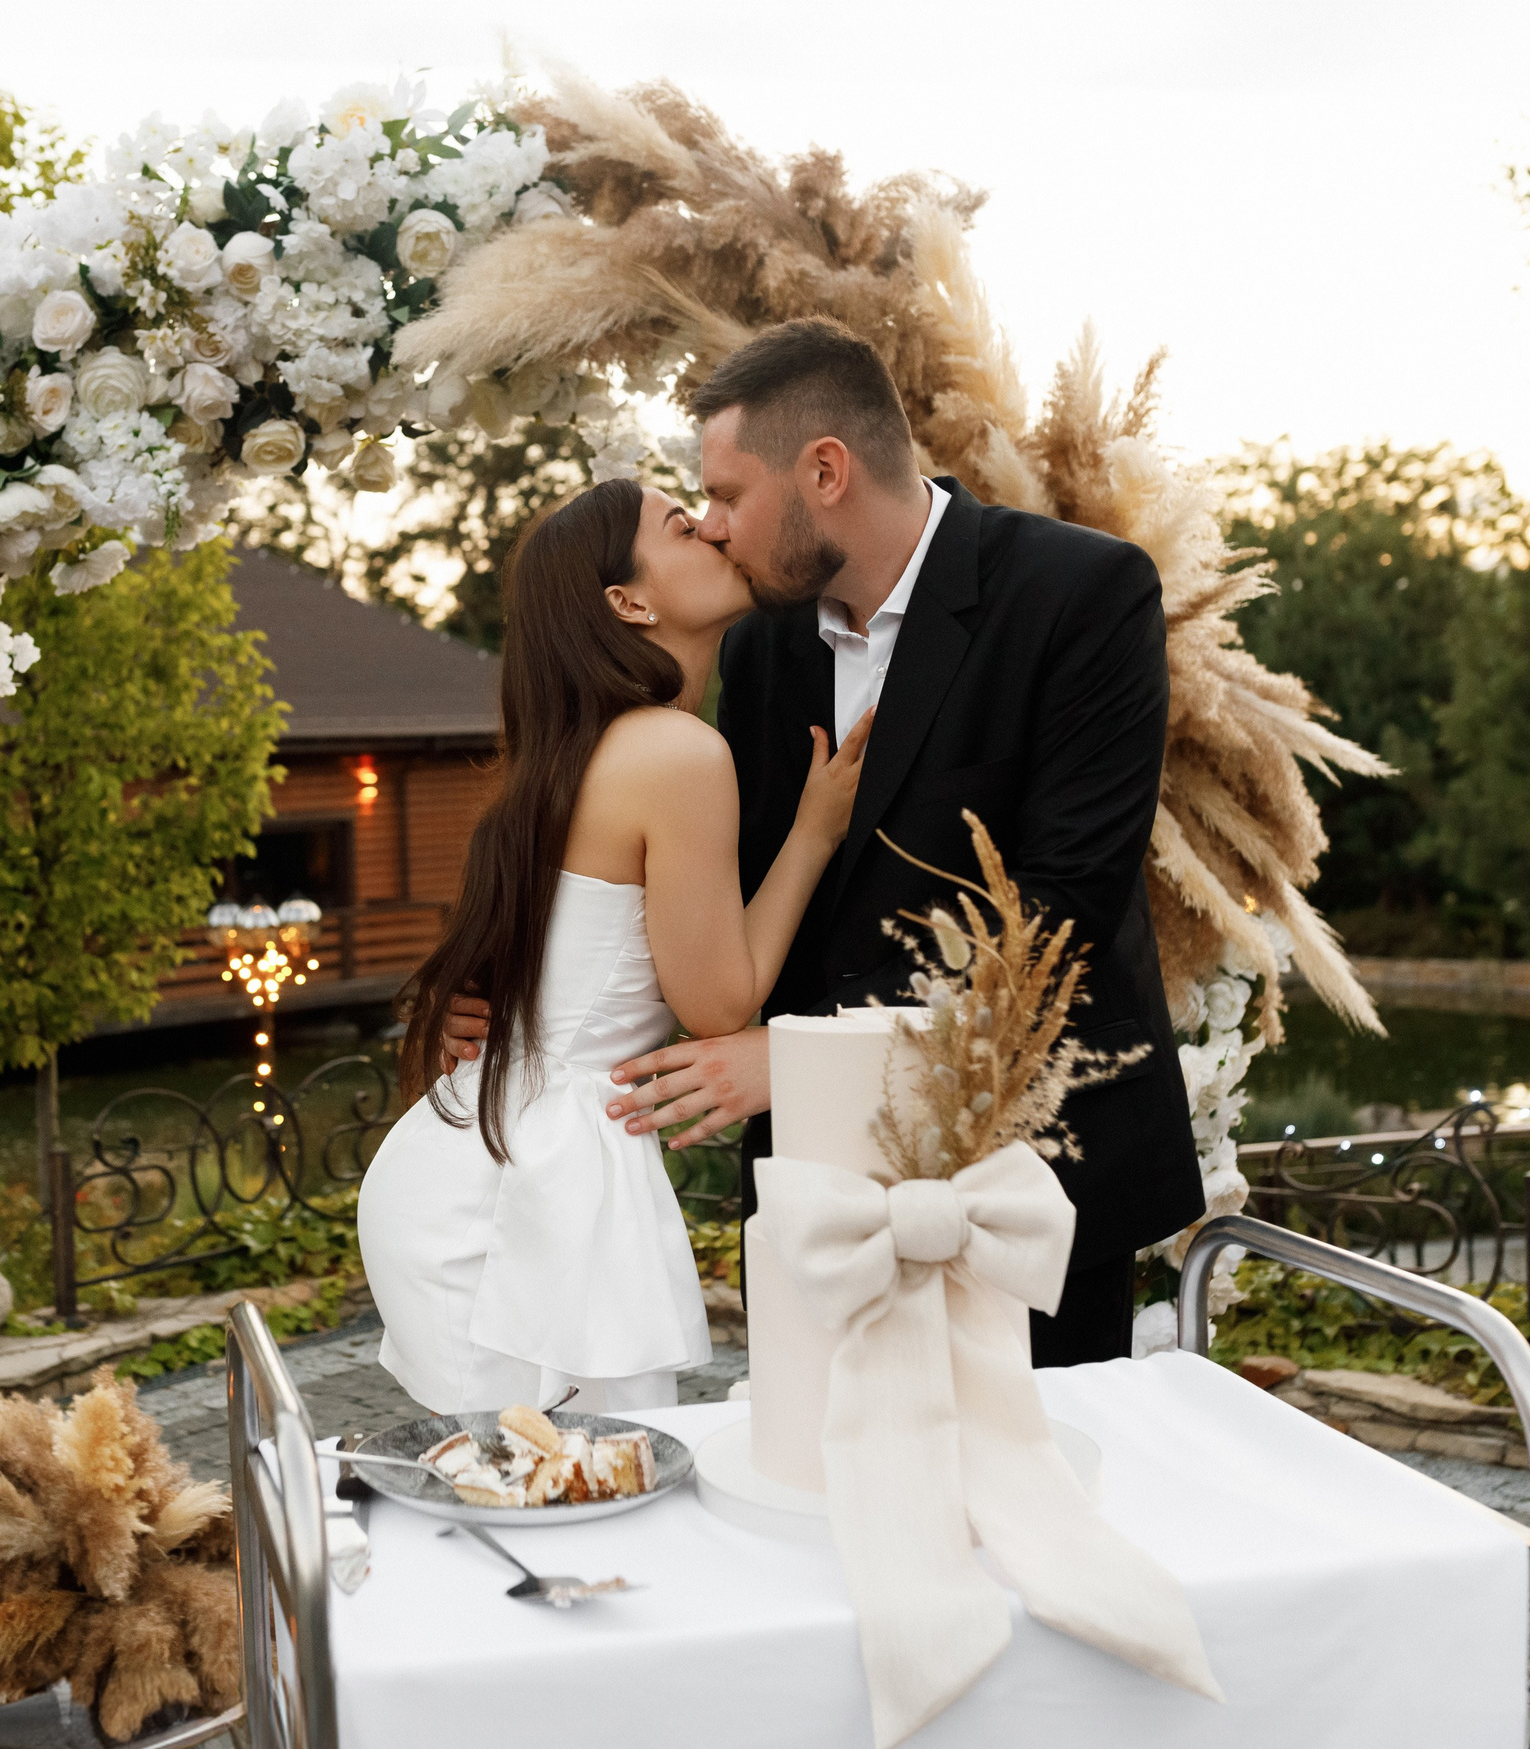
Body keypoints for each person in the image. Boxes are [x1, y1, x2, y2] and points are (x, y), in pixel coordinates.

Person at [442, 317, 1207, 1365]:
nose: (710, 527)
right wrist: (521, 1001)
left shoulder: (1082, 595)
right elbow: (704, 903)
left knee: (1034, 1500)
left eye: (724, 495)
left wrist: (800, 1060)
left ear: (825, 471)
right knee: (813, 1503)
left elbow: (1063, 914)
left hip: (1027, 1173)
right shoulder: (753, 646)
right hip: (815, 1189)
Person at [359, 478, 874, 1414]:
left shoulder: (568, 753)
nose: (714, 528)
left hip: (467, 1157)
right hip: (535, 1192)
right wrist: (812, 833)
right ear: (628, 603)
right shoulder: (676, 755)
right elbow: (720, 1005)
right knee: (579, 1491)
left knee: (522, 1499)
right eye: (682, 526)